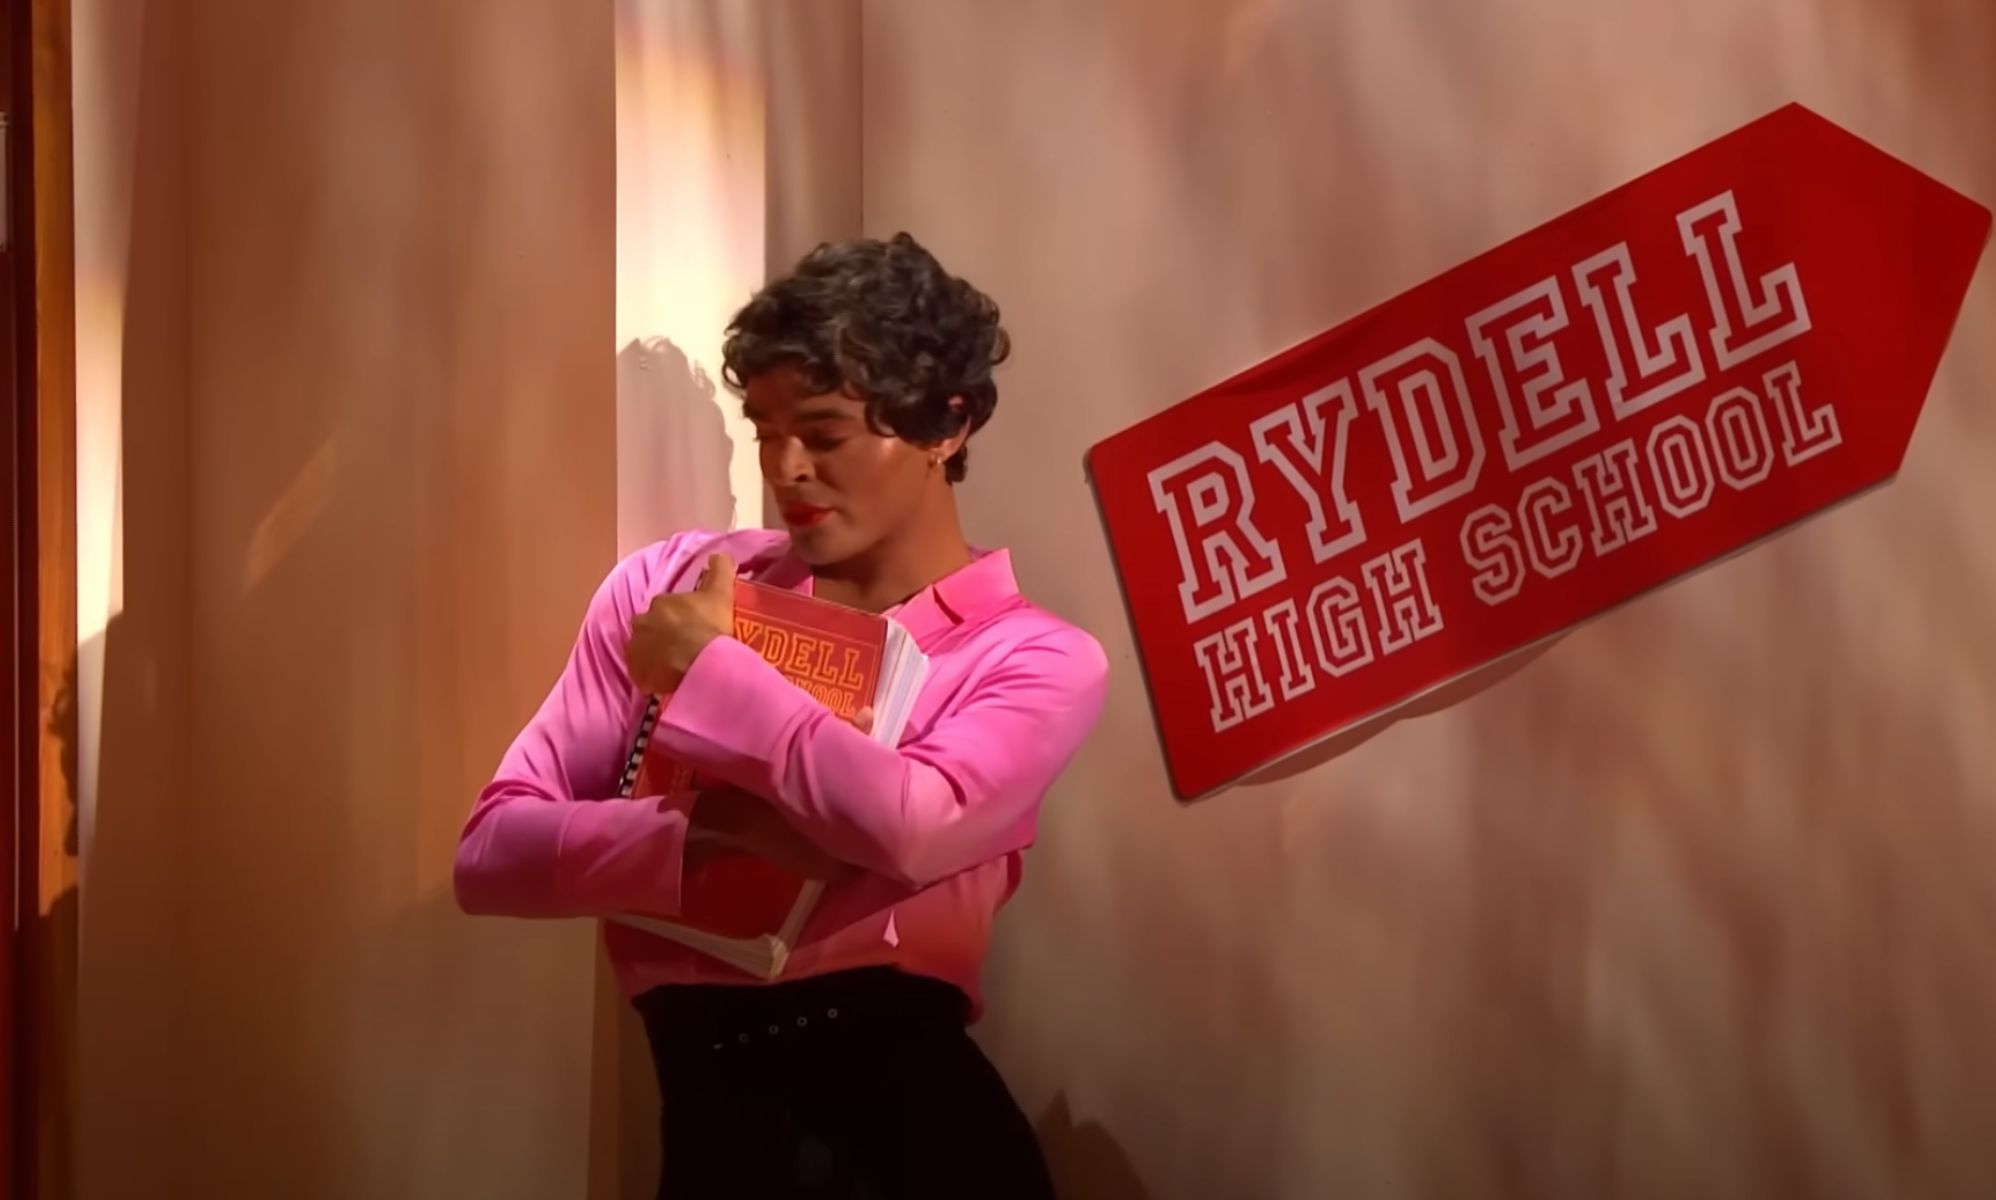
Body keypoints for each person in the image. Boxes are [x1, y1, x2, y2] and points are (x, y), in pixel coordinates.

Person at [453, 232, 1110, 1198]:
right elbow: (489, 854)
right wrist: (704, 832)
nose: (787, 465)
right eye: (763, 429)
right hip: (707, 1132)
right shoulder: (675, 582)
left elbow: (909, 823)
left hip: (921, 1152)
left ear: (945, 427)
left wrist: (711, 672)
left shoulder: (1035, 657)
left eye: (827, 432)